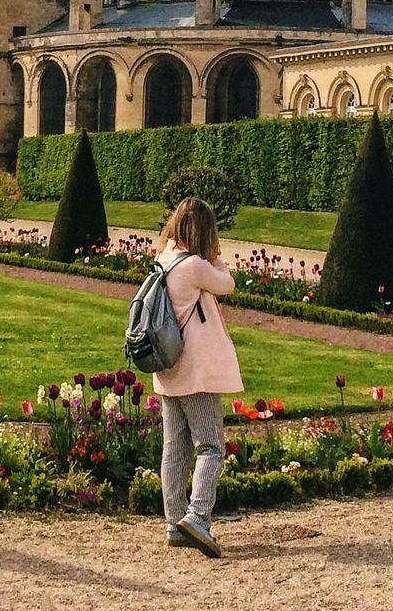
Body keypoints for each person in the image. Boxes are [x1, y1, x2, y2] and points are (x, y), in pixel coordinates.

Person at [154, 195, 242, 558]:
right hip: (195, 370)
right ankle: (198, 517)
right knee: (210, 446)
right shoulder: (193, 266)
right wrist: (215, 257)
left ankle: (175, 523)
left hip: (167, 366)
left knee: (174, 448)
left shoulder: (163, 259)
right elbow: (228, 283)